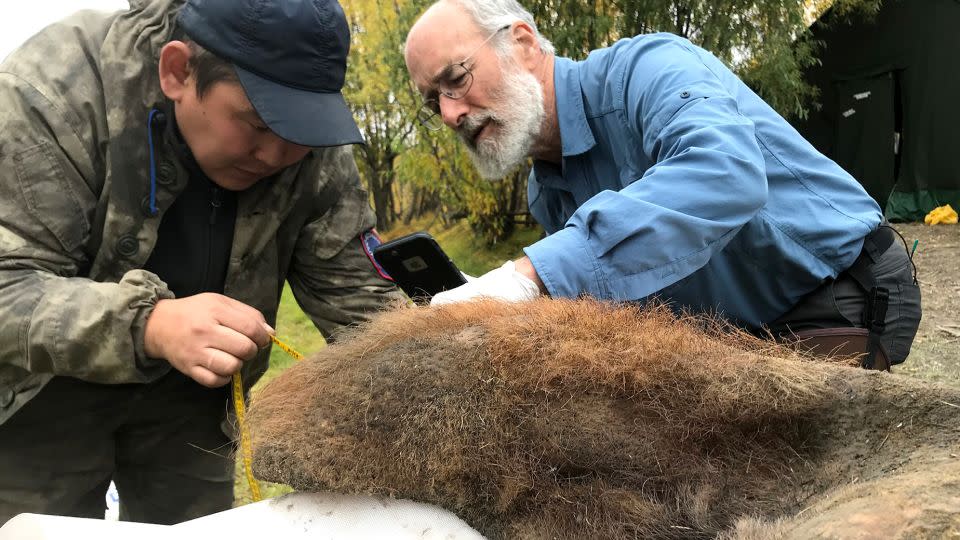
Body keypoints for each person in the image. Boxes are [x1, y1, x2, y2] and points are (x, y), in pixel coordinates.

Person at [0, 0, 401, 524]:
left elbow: (363, 303)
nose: (277, 155)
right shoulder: (53, 93)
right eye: (257, 124)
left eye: (298, 133)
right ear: (177, 71)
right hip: (41, 392)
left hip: (194, 402)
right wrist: (149, 323)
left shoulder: (309, 140)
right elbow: (9, 287)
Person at [404, 0, 921, 368]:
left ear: (521, 42)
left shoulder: (647, 70)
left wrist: (531, 274)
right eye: (434, 101)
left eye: (457, 78)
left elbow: (726, 173)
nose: (451, 114)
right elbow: (615, 292)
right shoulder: (546, 192)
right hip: (737, 331)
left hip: (839, 292)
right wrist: (506, 305)